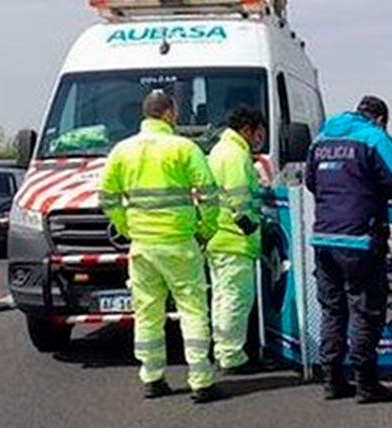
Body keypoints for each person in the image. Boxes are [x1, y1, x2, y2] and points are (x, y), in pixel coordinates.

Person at [98, 90, 222, 403]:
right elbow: (208, 194)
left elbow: (107, 197)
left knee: (147, 313)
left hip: (142, 246)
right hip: (179, 243)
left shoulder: (122, 151)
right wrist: (204, 230)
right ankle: (201, 381)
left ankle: (152, 377)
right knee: (192, 309)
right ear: (169, 113)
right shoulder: (184, 148)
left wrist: (127, 227)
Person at [305, 96, 392, 403]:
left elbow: (311, 182)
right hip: (360, 239)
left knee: (333, 310)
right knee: (365, 311)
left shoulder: (321, 139)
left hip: (323, 238)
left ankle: (332, 380)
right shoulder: (375, 138)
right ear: (379, 119)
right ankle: (365, 383)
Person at [206, 106, 267, 375]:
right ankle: (232, 356)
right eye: (258, 133)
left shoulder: (220, 150)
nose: (259, 139)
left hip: (218, 238)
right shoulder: (235, 155)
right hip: (235, 240)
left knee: (222, 298)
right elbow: (240, 199)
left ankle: (223, 350)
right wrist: (253, 225)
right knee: (237, 299)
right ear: (247, 129)